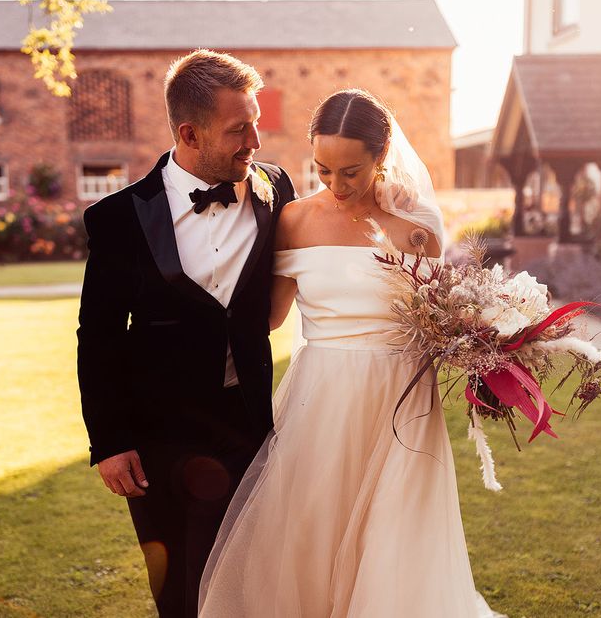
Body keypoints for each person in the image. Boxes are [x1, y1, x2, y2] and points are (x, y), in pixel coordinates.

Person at [198, 89, 507, 617]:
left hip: (403, 402)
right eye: (323, 170)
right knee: (314, 523)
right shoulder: (294, 220)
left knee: (396, 531)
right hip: (321, 397)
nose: (336, 186)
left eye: (351, 172)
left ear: (380, 158)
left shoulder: (418, 227)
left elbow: (440, 319)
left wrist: (479, 341)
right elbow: (269, 319)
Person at [76, 49, 297, 617]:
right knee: (179, 590)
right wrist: (110, 440)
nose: (255, 139)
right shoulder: (118, 218)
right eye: (239, 128)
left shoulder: (276, 190)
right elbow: (97, 334)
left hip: (246, 424)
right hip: (158, 438)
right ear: (189, 133)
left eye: (256, 121)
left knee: (248, 577)